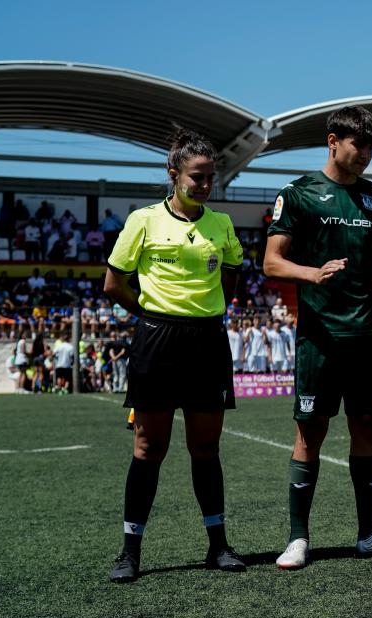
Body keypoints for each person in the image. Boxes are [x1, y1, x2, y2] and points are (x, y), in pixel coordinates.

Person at [264, 105, 372, 569]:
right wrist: (311, 274)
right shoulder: (298, 194)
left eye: (371, 146)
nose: (365, 154)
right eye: (358, 144)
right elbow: (272, 261)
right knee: (310, 434)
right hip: (319, 336)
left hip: (364, 334)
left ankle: (370, 534)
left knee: (367, 430)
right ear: (333, 141)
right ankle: (299, 539)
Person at [103, 127, 246, 583]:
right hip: (157, 341)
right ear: (173, 174)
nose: (204, 186)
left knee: (205, 448)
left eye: (210, 178)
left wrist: (204, 312)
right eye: (196, 177)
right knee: (148, 448)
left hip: (207, 342)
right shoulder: (142, 220)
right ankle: (129, 552)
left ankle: (218, 546)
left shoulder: (221, 225)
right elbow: (113, 284)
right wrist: (152, 314)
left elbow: (231, 279)